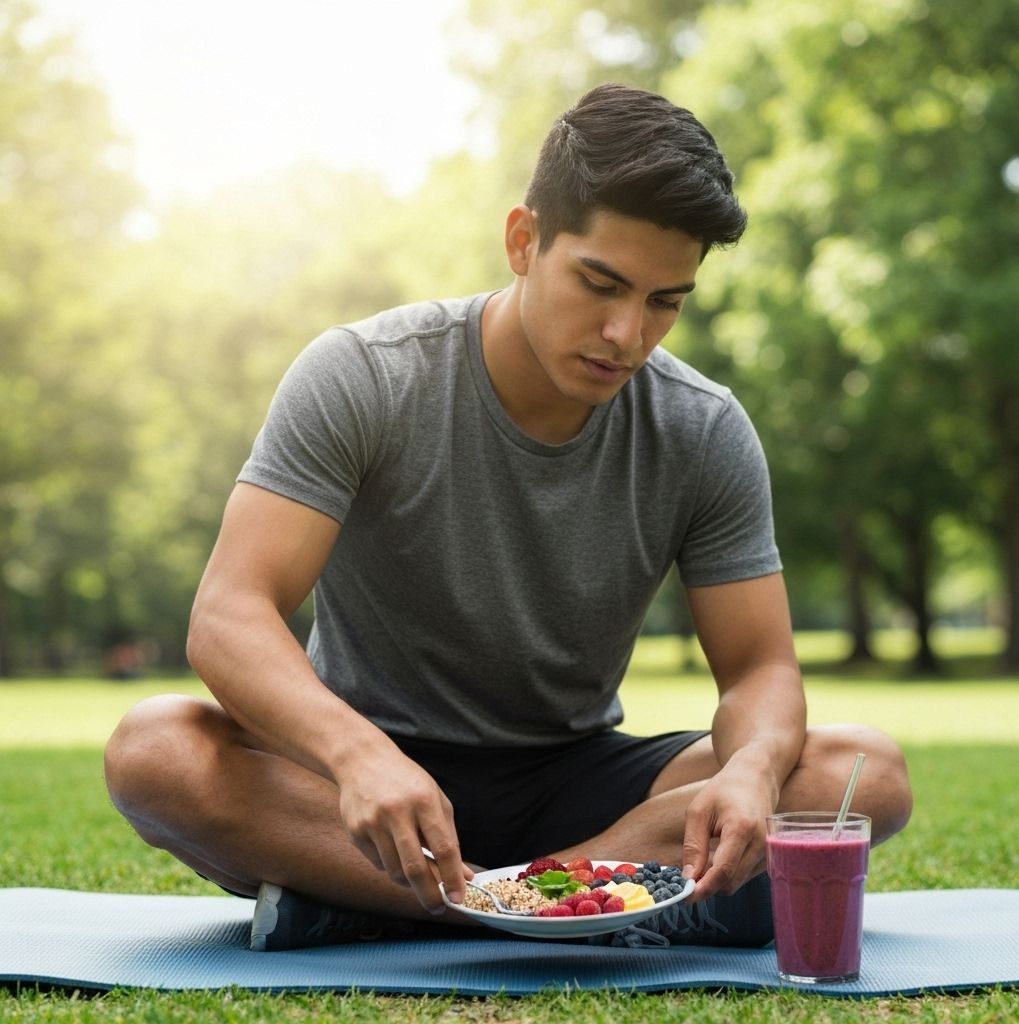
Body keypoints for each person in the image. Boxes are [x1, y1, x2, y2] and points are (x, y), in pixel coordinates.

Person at [103, 84, 912, 952]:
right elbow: (229, 616)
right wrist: (355, 755)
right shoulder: (364, 376)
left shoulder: (703, 428)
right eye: (599, 282)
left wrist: (752, 770)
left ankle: (405, 900)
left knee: (858, 770)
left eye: (664, 302)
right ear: (524, 240)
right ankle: (608, 901)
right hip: (361, 775)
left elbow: (758, 669)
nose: (624, 334)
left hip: (578, 776)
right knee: (155, 751)